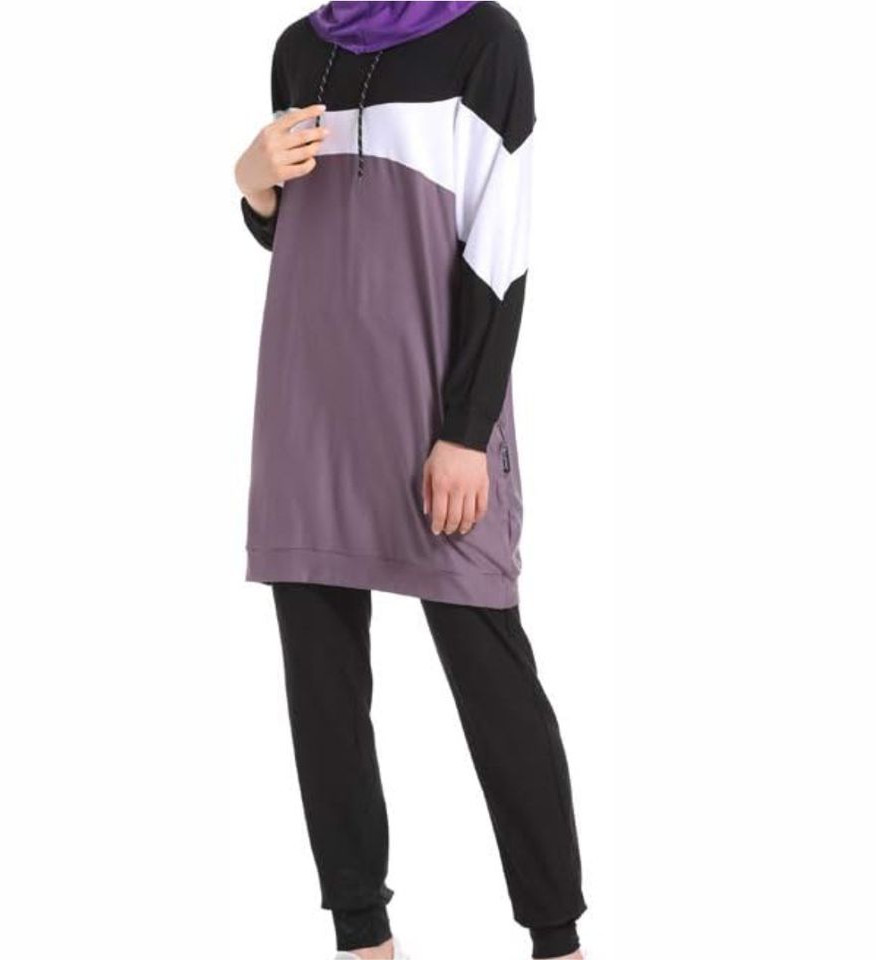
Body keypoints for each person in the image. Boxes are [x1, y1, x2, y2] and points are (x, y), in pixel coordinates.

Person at [234, 3, 586, 958]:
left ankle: (557, 940)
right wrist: (252, 184)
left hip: (432, 412)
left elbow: (501, 245)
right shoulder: (300, 49)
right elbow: (295, 228)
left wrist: (465, 432)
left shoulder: (484, 42)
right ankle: (363, 937)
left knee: (489, 667)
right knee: (322, 684)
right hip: (307, 403)